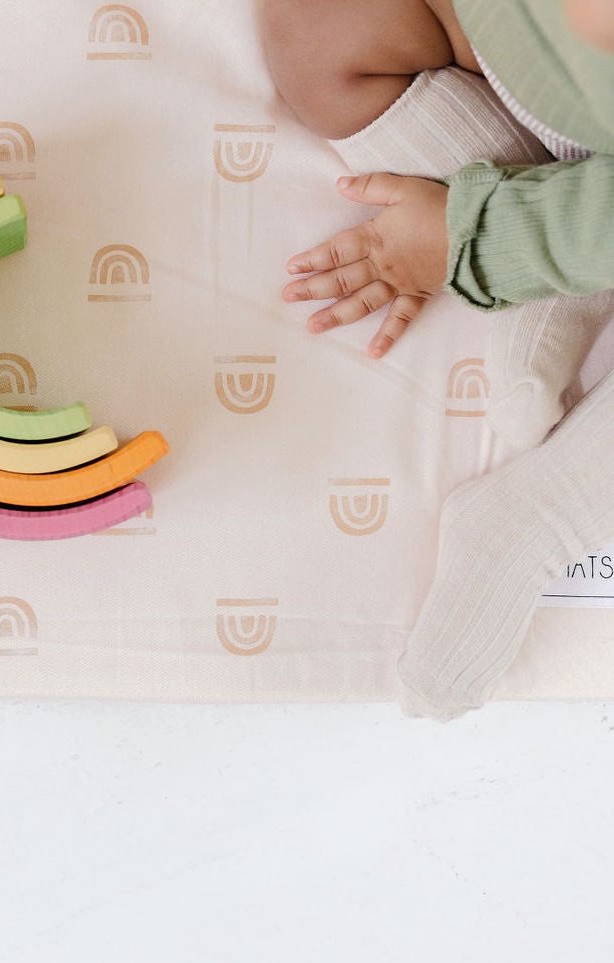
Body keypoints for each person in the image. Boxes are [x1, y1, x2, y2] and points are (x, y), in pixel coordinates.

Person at [264, 0, 614, 718]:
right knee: (311, 28)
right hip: (527, 56)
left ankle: (543, 513)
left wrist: (474, 239)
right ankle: (548, 281)